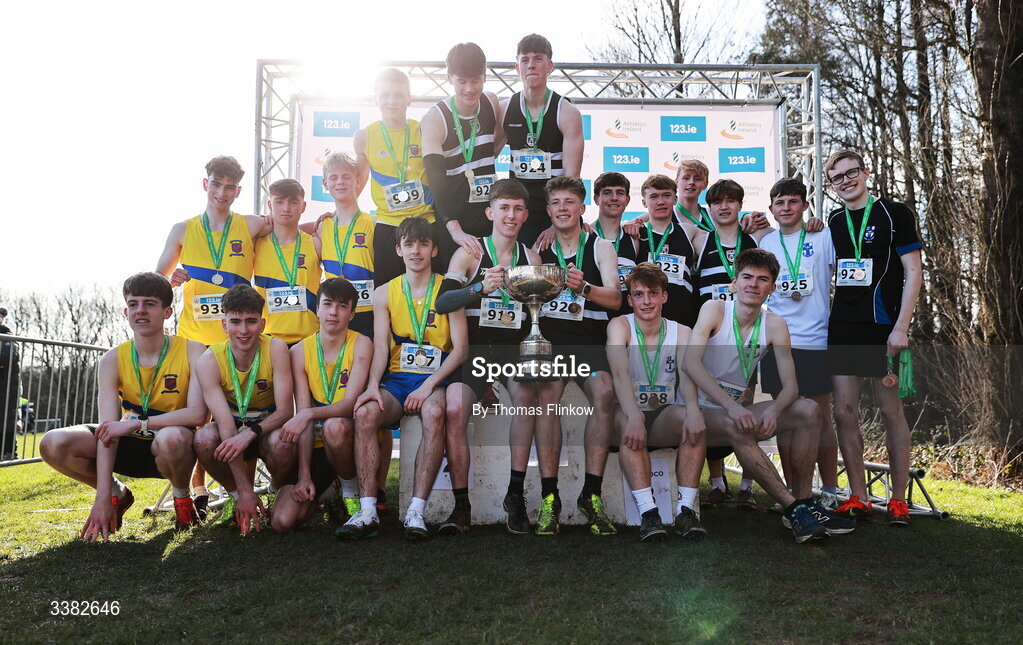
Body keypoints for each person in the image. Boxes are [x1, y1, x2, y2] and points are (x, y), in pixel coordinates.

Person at [681, 249, 855, 543]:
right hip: (696, 408)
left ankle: (803, 505)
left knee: (809, 410)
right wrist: (732, 408)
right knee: (736, 422)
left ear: (772, 288)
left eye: (762, 280)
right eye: (747, 277)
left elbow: (791, 387)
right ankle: (794, 508)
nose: (753, 284)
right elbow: (690, 364)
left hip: (733, 410)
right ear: (734, 282)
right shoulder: (714, 309)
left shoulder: (775, 324)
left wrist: (773, 411)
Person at [39, 273, 208, 539]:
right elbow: (108, 430)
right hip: (130, 443)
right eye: (133, 304)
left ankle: (182, 499)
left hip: (172, 447)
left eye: (150, 304)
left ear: (167, 312)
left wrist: (136, 424)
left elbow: (198, 414)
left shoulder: (194, 350)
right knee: (53, 442)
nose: (140, 311)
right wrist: (102, 496)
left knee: (173, 437)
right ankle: (118, 493)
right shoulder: (112, 359)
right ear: (124, 310)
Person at [155, 155, 271, 515]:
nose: (222, 192)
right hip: (194, 338)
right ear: (206, 184)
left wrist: (322, 223)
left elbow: (288, 224)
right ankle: (197, 488)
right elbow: (157, 279)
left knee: (240, 409)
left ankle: (242, 489)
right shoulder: (182, 229)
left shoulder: (250, 225)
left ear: (238, 191)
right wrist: (170, 280)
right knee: (199, 416)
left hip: (237, 335)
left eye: (230, 187)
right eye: (216, 184)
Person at [341, 217, 468, 541]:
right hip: (397, 380)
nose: (416, 251)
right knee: (366, 412)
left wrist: (428, 386)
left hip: (436, 379)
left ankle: (416, 511)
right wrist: (371, 388)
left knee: (435, 413)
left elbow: (461, 350)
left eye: (423, 244)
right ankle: (368, 509)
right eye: (409, 244)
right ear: (398, 249)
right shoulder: (383, 293)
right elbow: (381, 349)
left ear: (433, 249)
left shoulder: (449, 291)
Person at [435, 178, 546, 535]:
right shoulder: (471, 251)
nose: (511, 216)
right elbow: (442, 303)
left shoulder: (531, 258)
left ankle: (515, 496)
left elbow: (535, 315)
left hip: (513, 351)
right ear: (490, 212)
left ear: (526, 214)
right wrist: (480, 287)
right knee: (454, 407)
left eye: (517, 209)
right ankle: (461, 504)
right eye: (504, 209)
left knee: (527, 398)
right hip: (476, 351)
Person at [824, 150, 922, 526]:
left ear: (866, 172)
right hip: (844, 327)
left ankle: (898, 500)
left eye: (852, 173)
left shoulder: (895, 214)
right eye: (837, 178)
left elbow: (913, 272)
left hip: (883, 328)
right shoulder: (832, 220)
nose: (846, 181)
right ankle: (859, 496)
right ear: (831, 185)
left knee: (889, 410)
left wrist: (901, 326)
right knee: (844, 412)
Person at [535, 176, 621, 536]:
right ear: (549, 210)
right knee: (547, 396)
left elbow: (616, 299)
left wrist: (583, 287)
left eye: (570, 202)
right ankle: (549, 498)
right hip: (551, 340)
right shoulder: (538, 250)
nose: (563, 208)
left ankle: (591, 493)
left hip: (588, 341)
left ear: (582, 208)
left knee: (604, 392)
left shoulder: (601, 247)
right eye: (556, 203)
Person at [758, 178, 841, 508]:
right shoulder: (766, 241)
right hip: (777, 341)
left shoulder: (822, 234)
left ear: (805, 206)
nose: (787, 208)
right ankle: (793, 492)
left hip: (816, 339)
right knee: (786, 418)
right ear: (772, 209)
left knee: (821, 415)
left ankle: (832, 490)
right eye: (780, 203)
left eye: (793, 202)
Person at [607, 263, 704, 542]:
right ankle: (649, 514)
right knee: (628, 422)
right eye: (638, 294)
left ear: (664, 296)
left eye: (652, 293)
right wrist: (635, 416)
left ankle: (686, 511)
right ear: (629, 300)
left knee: (693, 419)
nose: (646, 301)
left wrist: (695, 411)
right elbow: (619, 373)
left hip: (662, 415)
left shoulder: (682, 332)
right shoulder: (619, 325)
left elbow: (687, 378)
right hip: (628, 411)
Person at [192, 285, 294, 534]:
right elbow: (226, 427)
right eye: (235, 322)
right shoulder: (209, 360)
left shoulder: (276, 348)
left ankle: (274, 491)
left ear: (262, 323)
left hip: (266, 428)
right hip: (232, 430)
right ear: (224, 325)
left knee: (284, 443)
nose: (243, 330)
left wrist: (250, 432)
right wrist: (244, 492)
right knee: (204, 438)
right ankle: (237, 497)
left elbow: (285, 412)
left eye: (251, 321)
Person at [274, 278, 374, 533]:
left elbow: (349, 404)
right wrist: (305, 474)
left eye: (342, 306)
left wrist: (307, 413)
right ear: (316, 308)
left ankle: (350, 495)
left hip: (347, 441)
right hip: (315, 447)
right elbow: (304, 423)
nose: (333, 312)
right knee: (282, 522)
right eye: (327, 304)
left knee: (335, 426)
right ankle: (324, 492)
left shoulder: (362, 344)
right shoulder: (298, 351)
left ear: (352, 313)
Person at [422, 42, 505, 262]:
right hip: (453, 218)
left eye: (475, 80)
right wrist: (454, 229)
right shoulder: (435, 119)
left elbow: (490, 149)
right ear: (450, 78)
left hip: (488, 216)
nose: (469, 88)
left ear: (485, 76)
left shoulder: (491, 102)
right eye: (462, 81)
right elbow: (436, 181)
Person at [500, 33, 584, 248]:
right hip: (520, 212)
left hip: (555, 210)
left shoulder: (567, 112)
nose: (531, 65)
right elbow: (483, 158)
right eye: (525, 60)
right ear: (517, 67)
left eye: (538, 58)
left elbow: (572, 178)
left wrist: (557, 223)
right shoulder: (504, 109)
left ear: (549, 65)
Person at [354, 68, 436, 286]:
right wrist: (336, 212)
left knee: (430, 295)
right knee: (387, 294)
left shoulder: (425, 130)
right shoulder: (364, 137)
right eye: (385, 95)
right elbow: (357, 183)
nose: (392, 101)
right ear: (375, 99)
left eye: (399, 95)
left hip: (426, 222)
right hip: (388, 227)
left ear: (409, 99)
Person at [253, 179, 321, 346]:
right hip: (268, 338)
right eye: (279, 202)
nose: (286, 208)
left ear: (303, 206)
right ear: (270, 205)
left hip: (310, 338)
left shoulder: (315, 242)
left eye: (293, 202)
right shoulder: (254, 243)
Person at [318, 152, 377, 339]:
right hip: (335, 316)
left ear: (358, 181)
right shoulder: (321, 227)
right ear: (326, 184)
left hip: (369, 314)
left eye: (346, 177)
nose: (340, 182)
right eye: (333, 178)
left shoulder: (374, 223)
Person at [635, 174, 699, 328]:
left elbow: (727, 235)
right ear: (644, 202)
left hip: (681, 322)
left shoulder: (691, 232)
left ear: (675, 199)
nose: (661, 201)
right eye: (654, 197)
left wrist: (748, 219)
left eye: (666, 195)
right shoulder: (634, 234)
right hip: (643, 322)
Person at [591, 172, 640, 318]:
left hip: (627, 322)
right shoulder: (584, 234)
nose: (614, 198)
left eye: (620, 193)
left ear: (627, 199)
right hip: (594, 323)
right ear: (596, 199)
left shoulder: (634, 239)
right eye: (607, 193)